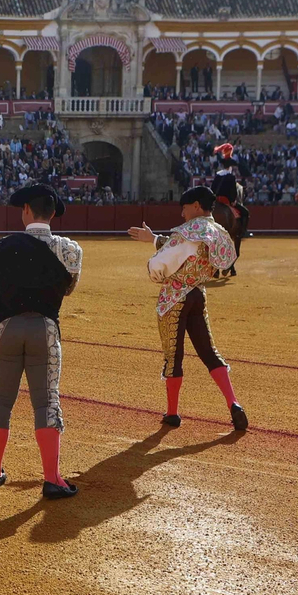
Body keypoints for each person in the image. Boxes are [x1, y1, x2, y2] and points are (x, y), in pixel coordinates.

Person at [0, 185, 82, 499]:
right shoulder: (70, 250)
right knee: (46, 402)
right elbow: (67, 289)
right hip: (44, 329)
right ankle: (52, 479)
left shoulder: (2, 248)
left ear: (26, 210)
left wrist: (6, 302)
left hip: (5, 329)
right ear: (54, 213)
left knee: (0, 400)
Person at [128, 186, 247, 431]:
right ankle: (233, 403)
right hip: (198, 294)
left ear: (194, 205)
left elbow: (164, 261)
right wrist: (153, 239)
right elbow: (189, 249)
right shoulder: (218, 232)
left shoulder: (188, 231)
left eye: (184, 208)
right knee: (209, 351)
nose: (182, 214)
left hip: (175, 297)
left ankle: (172, 413)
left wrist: (155, 270)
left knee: (174, 356)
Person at [210, 142, 250, 246]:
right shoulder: (231, 177)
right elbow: (232, 192)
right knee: (245, 212)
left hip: (215, 201)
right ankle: (243, 232)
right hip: (226, 201)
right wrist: (232, 201)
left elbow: (212, 189)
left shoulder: (218, 175)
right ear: (230, 166)